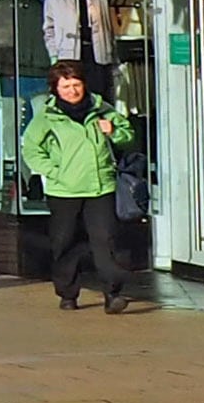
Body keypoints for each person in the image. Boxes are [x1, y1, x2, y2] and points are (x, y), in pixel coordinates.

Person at [25, 60, 139, 312]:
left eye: (76, 84)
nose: (72, 91)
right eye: (66, 86)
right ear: (55, 88)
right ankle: (67, 293)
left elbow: (128, 136)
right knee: (64, 242)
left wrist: (113, 132)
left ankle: (112, 294)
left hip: (100, 187)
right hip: (63, 190)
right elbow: (31, 150)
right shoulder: (47, 116)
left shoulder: (102, 109)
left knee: (105, 240)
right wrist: (55, 172)